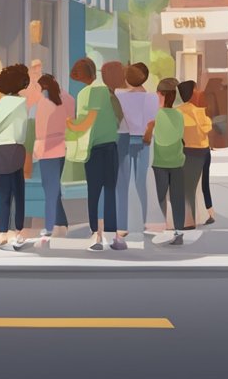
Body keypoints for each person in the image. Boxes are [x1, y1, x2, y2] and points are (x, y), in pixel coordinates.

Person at [68, 58, 125, 251]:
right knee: (110, 190)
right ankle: (112, 235)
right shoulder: (107, 91)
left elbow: (86, 122)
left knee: (94, 192)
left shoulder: (87, 92)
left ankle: (96, 235)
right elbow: (119, 116)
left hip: (93, 149)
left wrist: (69, 124)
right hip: (111, 146)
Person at [0, 64, 31, 250]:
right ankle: (18, 232)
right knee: (18, 193)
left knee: (4, 195)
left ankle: (2, 234)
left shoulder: (1, 103)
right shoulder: (22, 103)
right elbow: (22, 130)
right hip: (15, 147)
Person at [115, 64, 159, 237]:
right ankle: (143, 222)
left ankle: (122, 223)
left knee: (123, 182)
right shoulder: (151, 97)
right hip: (143, 141)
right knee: (141, 182)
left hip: (124, 139)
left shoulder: (119, 95)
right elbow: (151, 123)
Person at [147, 78, 186, 245]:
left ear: (160, 94)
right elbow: (178, 137)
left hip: (159, 162)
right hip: (177, 162)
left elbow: (158, 139)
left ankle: (159, 230)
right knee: (177, 198)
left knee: (159, 197)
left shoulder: (155, 115)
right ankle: (178, 232)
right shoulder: (178, 115)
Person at [32, 73, 71, 240]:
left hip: (47, 149)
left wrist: (37, 148)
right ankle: (61, 223)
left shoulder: (44, 103)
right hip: (62, 147)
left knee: (49, 189)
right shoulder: (68, 98)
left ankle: (49, 226)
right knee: (54, 188)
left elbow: (40, 129)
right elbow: (71, 122)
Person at [178, 80, 213, 230]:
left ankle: (190, 220)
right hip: (204, 150)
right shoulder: (199, 110)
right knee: (204, 183)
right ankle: (208, 213)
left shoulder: (178, 111)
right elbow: (207, 127)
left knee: (189, 186)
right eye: (196, 89)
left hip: (189, 151)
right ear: (192, 92)